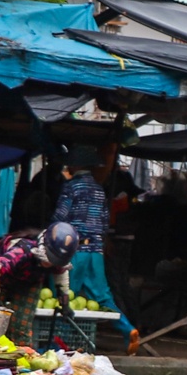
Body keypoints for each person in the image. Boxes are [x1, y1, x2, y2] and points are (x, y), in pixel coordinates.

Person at [52, 144, 140, 355]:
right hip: (96, 251)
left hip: (76, 251)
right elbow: (103, 223)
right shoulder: (99, 190)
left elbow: (60, 218)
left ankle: (59, 343)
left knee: (65, 294)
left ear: (75, 165)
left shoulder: (71, 187)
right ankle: (128, 329)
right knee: (103, 296)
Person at [0, 222, 78, 348]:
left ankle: (22, 357)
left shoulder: (58, 261)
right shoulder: (23, 250)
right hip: (0, 277)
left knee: (21, 326)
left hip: (29, 282)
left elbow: (61, 275)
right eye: (48, 260)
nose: (49, 264)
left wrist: (65, 303)